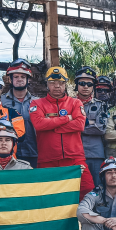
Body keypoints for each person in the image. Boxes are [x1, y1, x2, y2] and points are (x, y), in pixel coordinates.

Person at [29, 66, 95, 199]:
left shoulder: (75, 103)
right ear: (47, 84)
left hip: (74, 158)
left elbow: (80, 124)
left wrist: (52, 125)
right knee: (48, 196)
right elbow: (39, 124)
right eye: (52, 82)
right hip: (48, 159)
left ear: (66, 84)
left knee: (87, 190)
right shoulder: (36, 103)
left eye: (61, 82)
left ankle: (86, 220)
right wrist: (66, 118)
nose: (57, 86)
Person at [74, 67, 108, 188]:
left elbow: (101, 128)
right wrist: (90, 122)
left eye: (89, 84)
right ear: (76, 85)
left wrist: (75, 125)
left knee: (97, 188)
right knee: (75, 188)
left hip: (95, 154)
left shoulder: (101, 105)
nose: (85, 86)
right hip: (73, 153)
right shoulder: (68, 104)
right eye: (82, 83)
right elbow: (63, 126)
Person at [1, 59, 39, 168]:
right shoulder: (1, 101)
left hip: (34, 153)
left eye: (23, 77)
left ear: (28, 80)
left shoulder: (38, 102)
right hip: (9, 154)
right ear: (10, 79)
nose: (19, 80)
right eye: (16, 77)